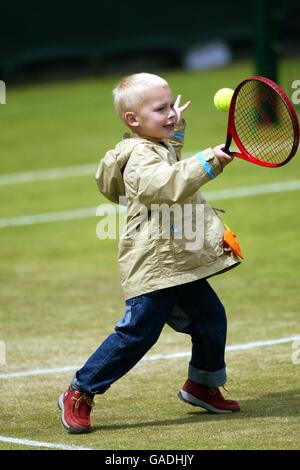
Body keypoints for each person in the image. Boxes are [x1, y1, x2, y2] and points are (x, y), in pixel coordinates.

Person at [58, 73, 242, 434]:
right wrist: (210, 160)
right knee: (137, 334)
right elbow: (164, 184)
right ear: (133, 120)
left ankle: (202, 385)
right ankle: (80, 391)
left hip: (176, 264)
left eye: (171, 104)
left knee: (210, 319)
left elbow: (168, 161)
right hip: (155, 266)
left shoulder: (154, 145)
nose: (171, 112)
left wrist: (175, 130)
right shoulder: (141, 154)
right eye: (161, 109)